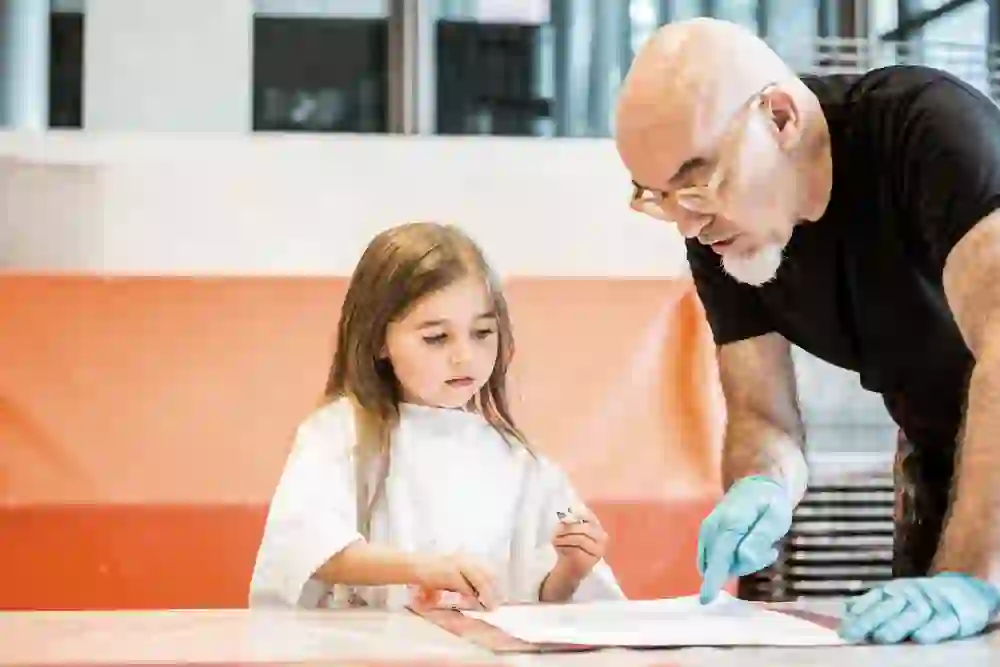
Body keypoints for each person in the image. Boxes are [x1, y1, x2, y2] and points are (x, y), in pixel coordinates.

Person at [614, 17, 1000, 644]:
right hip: (943, 462)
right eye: (657, 198)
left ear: (781, 117)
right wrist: (761, 486)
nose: (687, 225)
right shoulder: (720, 235)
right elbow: (762, 416)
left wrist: (972, 574)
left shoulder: (927, 135)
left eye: (698, 183)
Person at [249, 221, 625, 610]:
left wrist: (572, 568)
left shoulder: (516, 461)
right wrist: (423, 568)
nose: (465, 356)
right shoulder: (340, 433)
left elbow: (539, 600)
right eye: (436, 338)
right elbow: (306, 548)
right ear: (379, 340)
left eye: (482, 333)